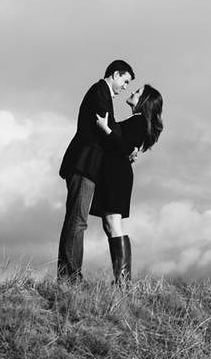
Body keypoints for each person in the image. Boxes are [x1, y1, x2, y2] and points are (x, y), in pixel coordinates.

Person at [57, 60, 135, 281]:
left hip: (87, 165)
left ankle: (68, 276)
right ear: (116, 74)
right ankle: (69, 278)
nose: (125, 87)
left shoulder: (103, 93)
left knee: (77, 219)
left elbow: (110, 128)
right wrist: (128, 147)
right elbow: (106, 129)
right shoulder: (100, 89)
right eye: (125, 81)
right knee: (77, 220)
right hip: (84, 163)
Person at [90, 83, 164, 283]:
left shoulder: (139, 121)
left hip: (116, 174)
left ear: (144, 101)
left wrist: (105, 129)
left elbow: (124, 146)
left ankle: (123, 281)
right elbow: (129, 147)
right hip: (113, 172)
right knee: (109, 224)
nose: (133, 91)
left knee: (113, 223)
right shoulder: (137, 121)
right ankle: (121, 279)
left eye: (138, 92)